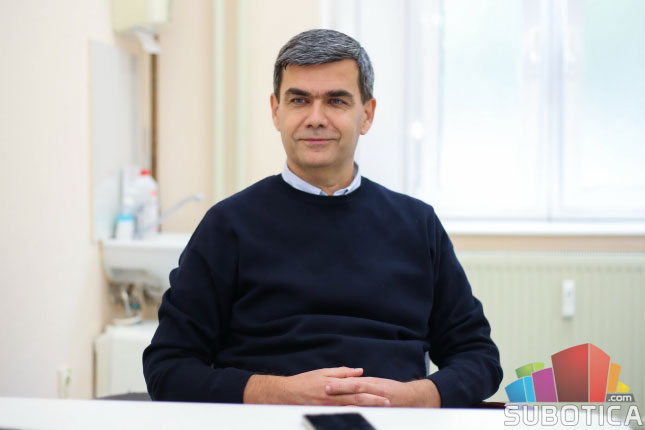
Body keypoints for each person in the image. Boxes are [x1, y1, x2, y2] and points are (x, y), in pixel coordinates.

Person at [143, 29, 502, 408]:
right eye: (299, 100)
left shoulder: (418, 224)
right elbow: (168, 368)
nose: (316, 118)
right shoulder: (227, 226)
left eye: (336, 101)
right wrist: (280, 393)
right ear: (276, 111)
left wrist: (415, 396)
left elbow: (479, 358)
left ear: (367, 114)